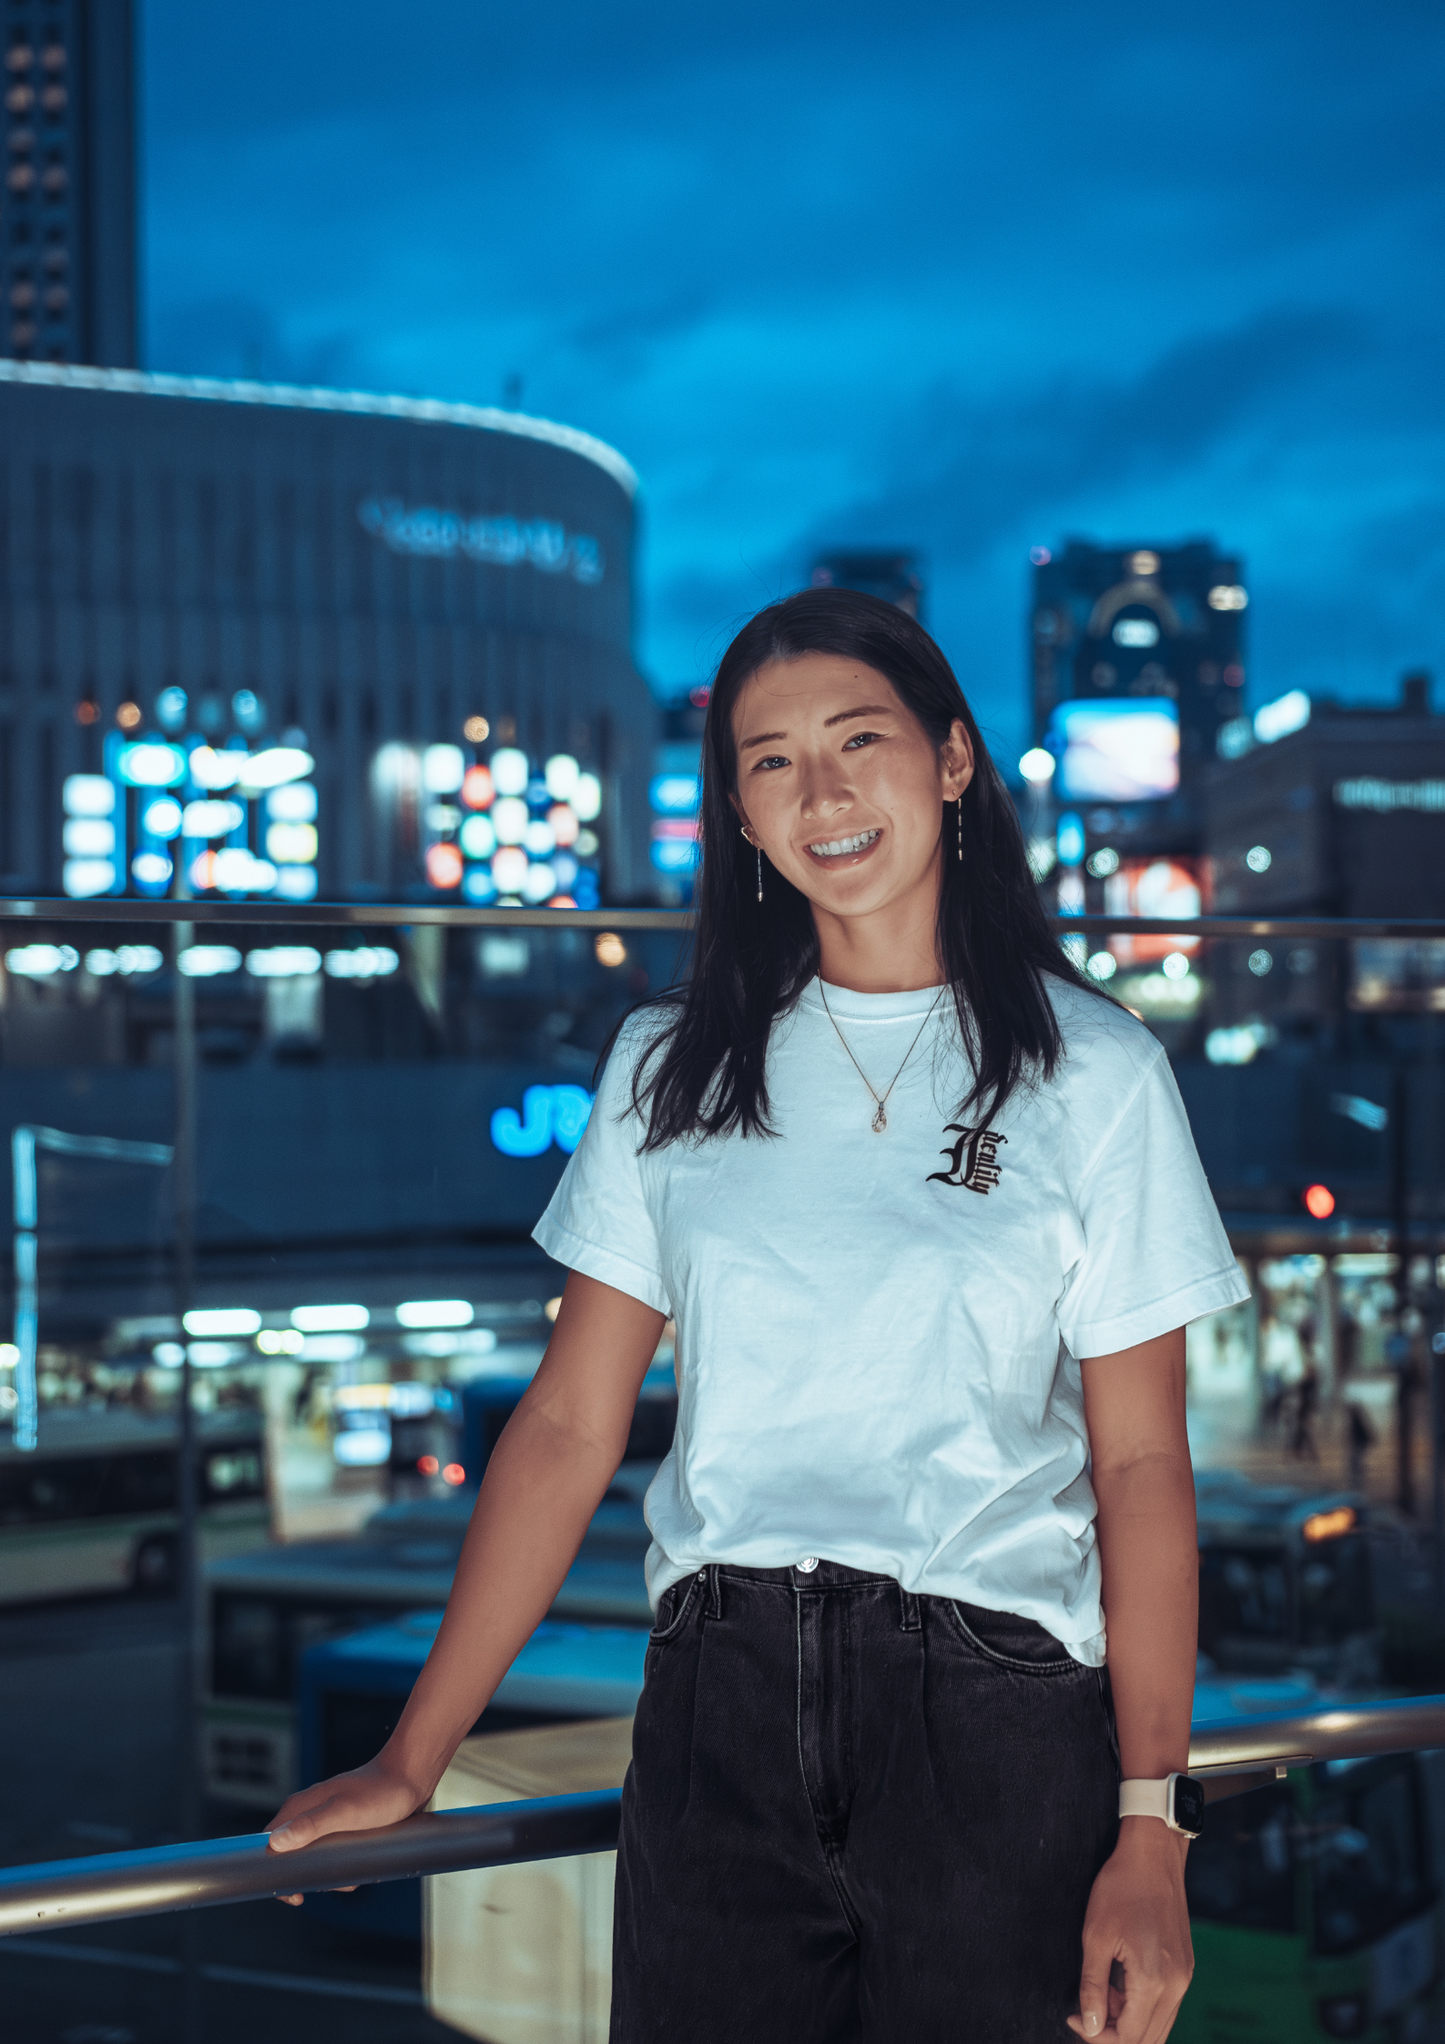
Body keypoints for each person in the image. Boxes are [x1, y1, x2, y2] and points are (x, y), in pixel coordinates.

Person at [268, 589, 1249, 2041]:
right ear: (734, 807)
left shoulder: (1089, 1072)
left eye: (861, 741)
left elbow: (1140, 1469)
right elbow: (564, 1424)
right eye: (770, 759)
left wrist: (1151, 1829)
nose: (824, 792)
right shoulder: (672, 1061)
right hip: (717, 1702)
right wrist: (416, 1755)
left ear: (956, 762)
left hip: (990, 1707)